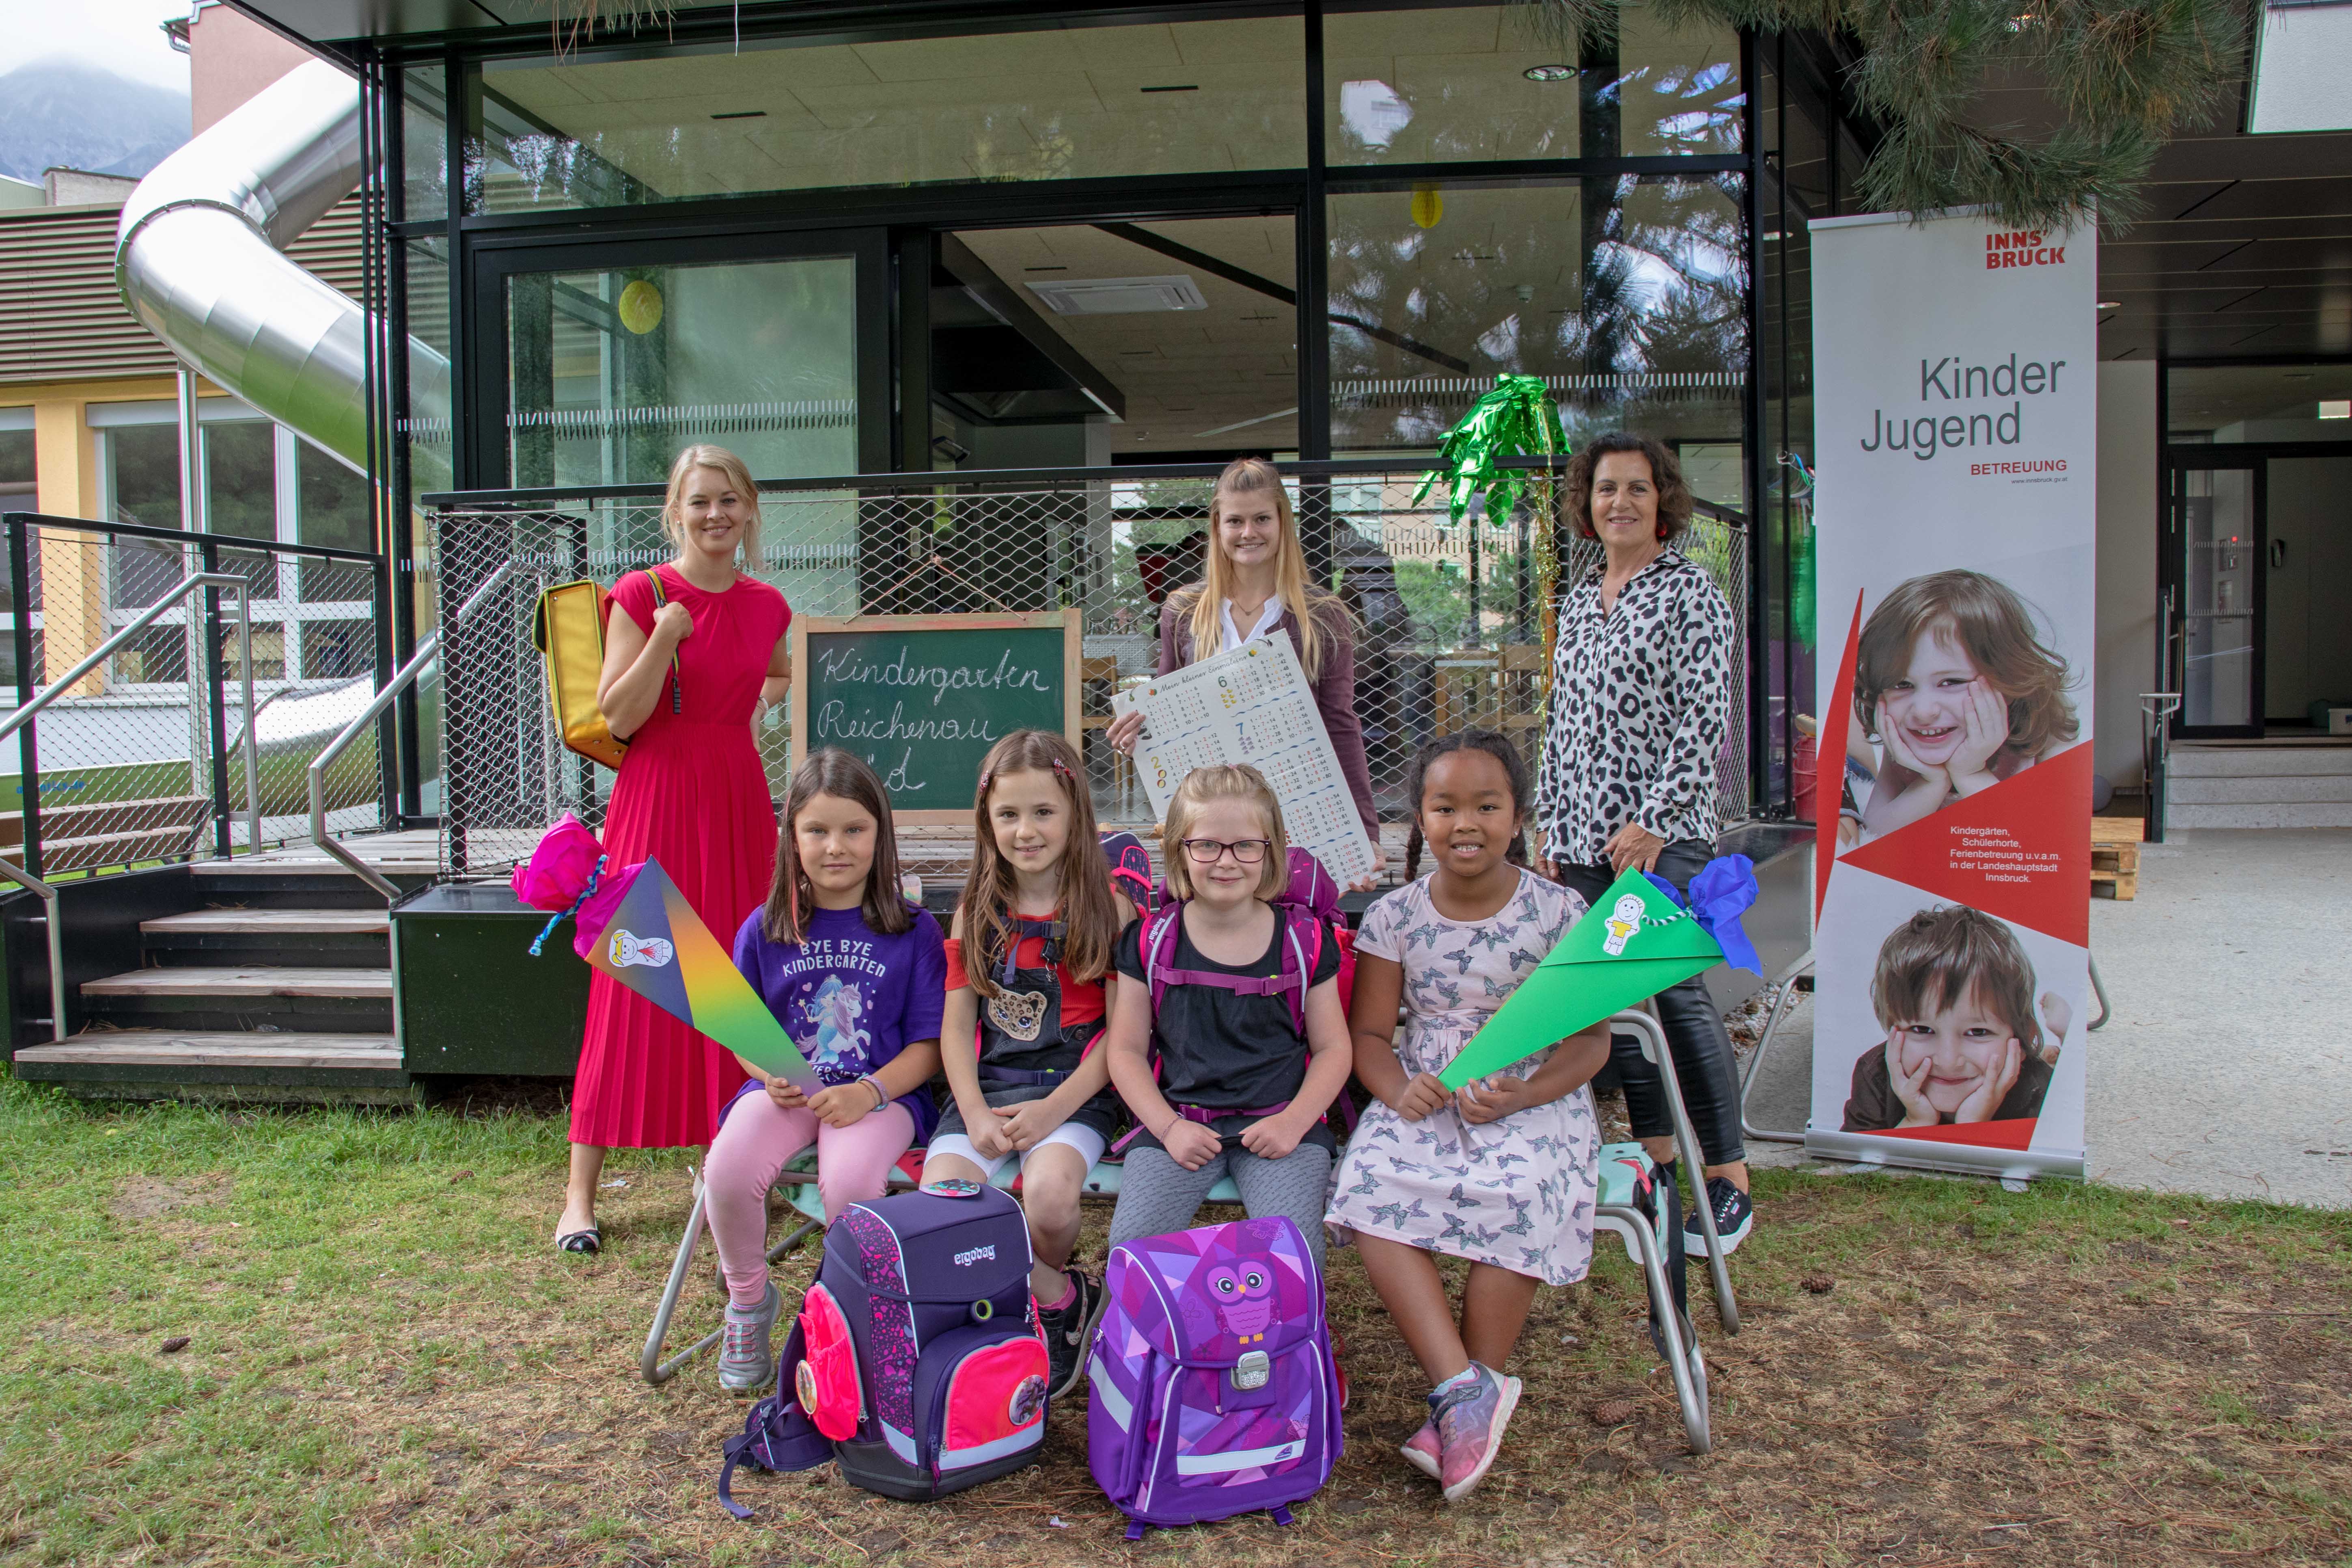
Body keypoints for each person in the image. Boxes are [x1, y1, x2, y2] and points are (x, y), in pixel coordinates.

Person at [1328, 731, 1608, 1502]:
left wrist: (1525, 1092)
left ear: (1518, 817)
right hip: (1427, 1084)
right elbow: (1371, 1038)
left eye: (1487, 805)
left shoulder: (1559, 910)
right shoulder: (1395, 914)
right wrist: (1394, 1089)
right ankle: (1463, 1388)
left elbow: (1591, 1041)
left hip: (1532, 1089)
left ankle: (1468, 1400)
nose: (1466, 823)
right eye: (1445, 806)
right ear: (1419, 816)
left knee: (1520, 1190)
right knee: (1371, 1186)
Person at [558, 444, 792, 1255]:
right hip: (656, 795)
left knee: (728, 976)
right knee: (636, 975)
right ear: (674, 511)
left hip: (732, 797)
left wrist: (758, 708)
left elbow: (772, 679)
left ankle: (719, 1163)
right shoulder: (642, 594)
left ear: (749, 508)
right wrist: (664, 638)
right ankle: (578, 1195)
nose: (715, 515)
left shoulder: (769, 604)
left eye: (729, 500)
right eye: (699, 502)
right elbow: (617, 717)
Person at [1531, 432, 1754, 1253]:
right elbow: (1563, 725)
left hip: (1657, 840)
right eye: (1602, 489)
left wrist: (1654, 817)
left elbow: (1704, 717)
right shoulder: (1587, 598)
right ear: (1585, 506)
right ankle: (1657, 1163)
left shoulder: (1690, 592)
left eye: (1633, 488)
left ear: (1661, 500)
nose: (1617, 501)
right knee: (1612, 1006)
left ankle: (1728, 1178)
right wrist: (1552, 825)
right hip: (1584, 838)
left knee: (1675, 998)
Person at [705, 749, 946, 1393]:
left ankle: (846, 1318)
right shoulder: (764, 928)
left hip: (879, 1095)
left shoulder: (912, 930)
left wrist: (868, 1092)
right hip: (787, 1092)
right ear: (792, 837)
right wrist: (767, 1070)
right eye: (816, 830)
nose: (834, 846)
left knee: (849, 1184)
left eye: (853, 829)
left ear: (879, 835)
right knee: (725, 1170)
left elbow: (929, 1047)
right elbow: (740, 1031)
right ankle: (749, 1300)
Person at [923, 731, 1135, 1399]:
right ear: (987, 821)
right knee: (943, 1207)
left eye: (1044, 811)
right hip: (989, 1087)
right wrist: (976, 1111)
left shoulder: (1111, 907)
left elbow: (1122, 1036)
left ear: (1075, 813)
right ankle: (1058, 1293)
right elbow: (957, 1029)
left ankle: (1030, 1303)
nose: (1026, 830)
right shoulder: (975, 910)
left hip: (1076, 1090)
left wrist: (1055, 1109)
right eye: (1009, 814)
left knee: (1049, 1198)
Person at [1102, 764, 1354, 1279]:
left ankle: (1288, 1347)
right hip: (1180, 1125)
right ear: (1178, 850)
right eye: (1207, 846)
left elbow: (1333, 1049)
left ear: (1271, 850)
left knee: (1292, 1251)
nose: (1226, 861)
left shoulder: (1302, 940)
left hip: (1280, 1126)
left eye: (1245, 846)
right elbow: (1124, 1050)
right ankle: (1158, 1348)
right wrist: (1169, 1128)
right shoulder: (1151, 940)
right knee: (1132, 1246)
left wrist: (1293, 1122)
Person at [1104, 458, 1380, 884]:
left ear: (1282, 523)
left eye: (1261, 519)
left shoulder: (1322, 615)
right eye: (1235, 520)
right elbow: (1163, 707)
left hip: (1292, 806)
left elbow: (1340, 724)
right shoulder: (1183, 611)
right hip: (1207, 818)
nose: (1248, 532)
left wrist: (1364, 833)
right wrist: (1135, 733)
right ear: (1217, 526)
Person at [1852, 569, 2079, 843]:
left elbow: (2040, 845)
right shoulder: (1911, 734)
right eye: (1902, 685)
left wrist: (1971, 773)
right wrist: (1931, 783)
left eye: (1950, 682)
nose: (1923, 712)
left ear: (2007, 679)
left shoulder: (2045, 731)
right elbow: (1874, 834)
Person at [1843, 904, 2065, 1132]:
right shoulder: (1875, 1075)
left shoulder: (2043, 1093)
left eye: (1978, 1032)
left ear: (2022, 1036)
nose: (1948, 1061)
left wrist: (1973, 1128)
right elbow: (1854, 1165)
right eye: (1922, 1029)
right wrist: (1916, 1123)